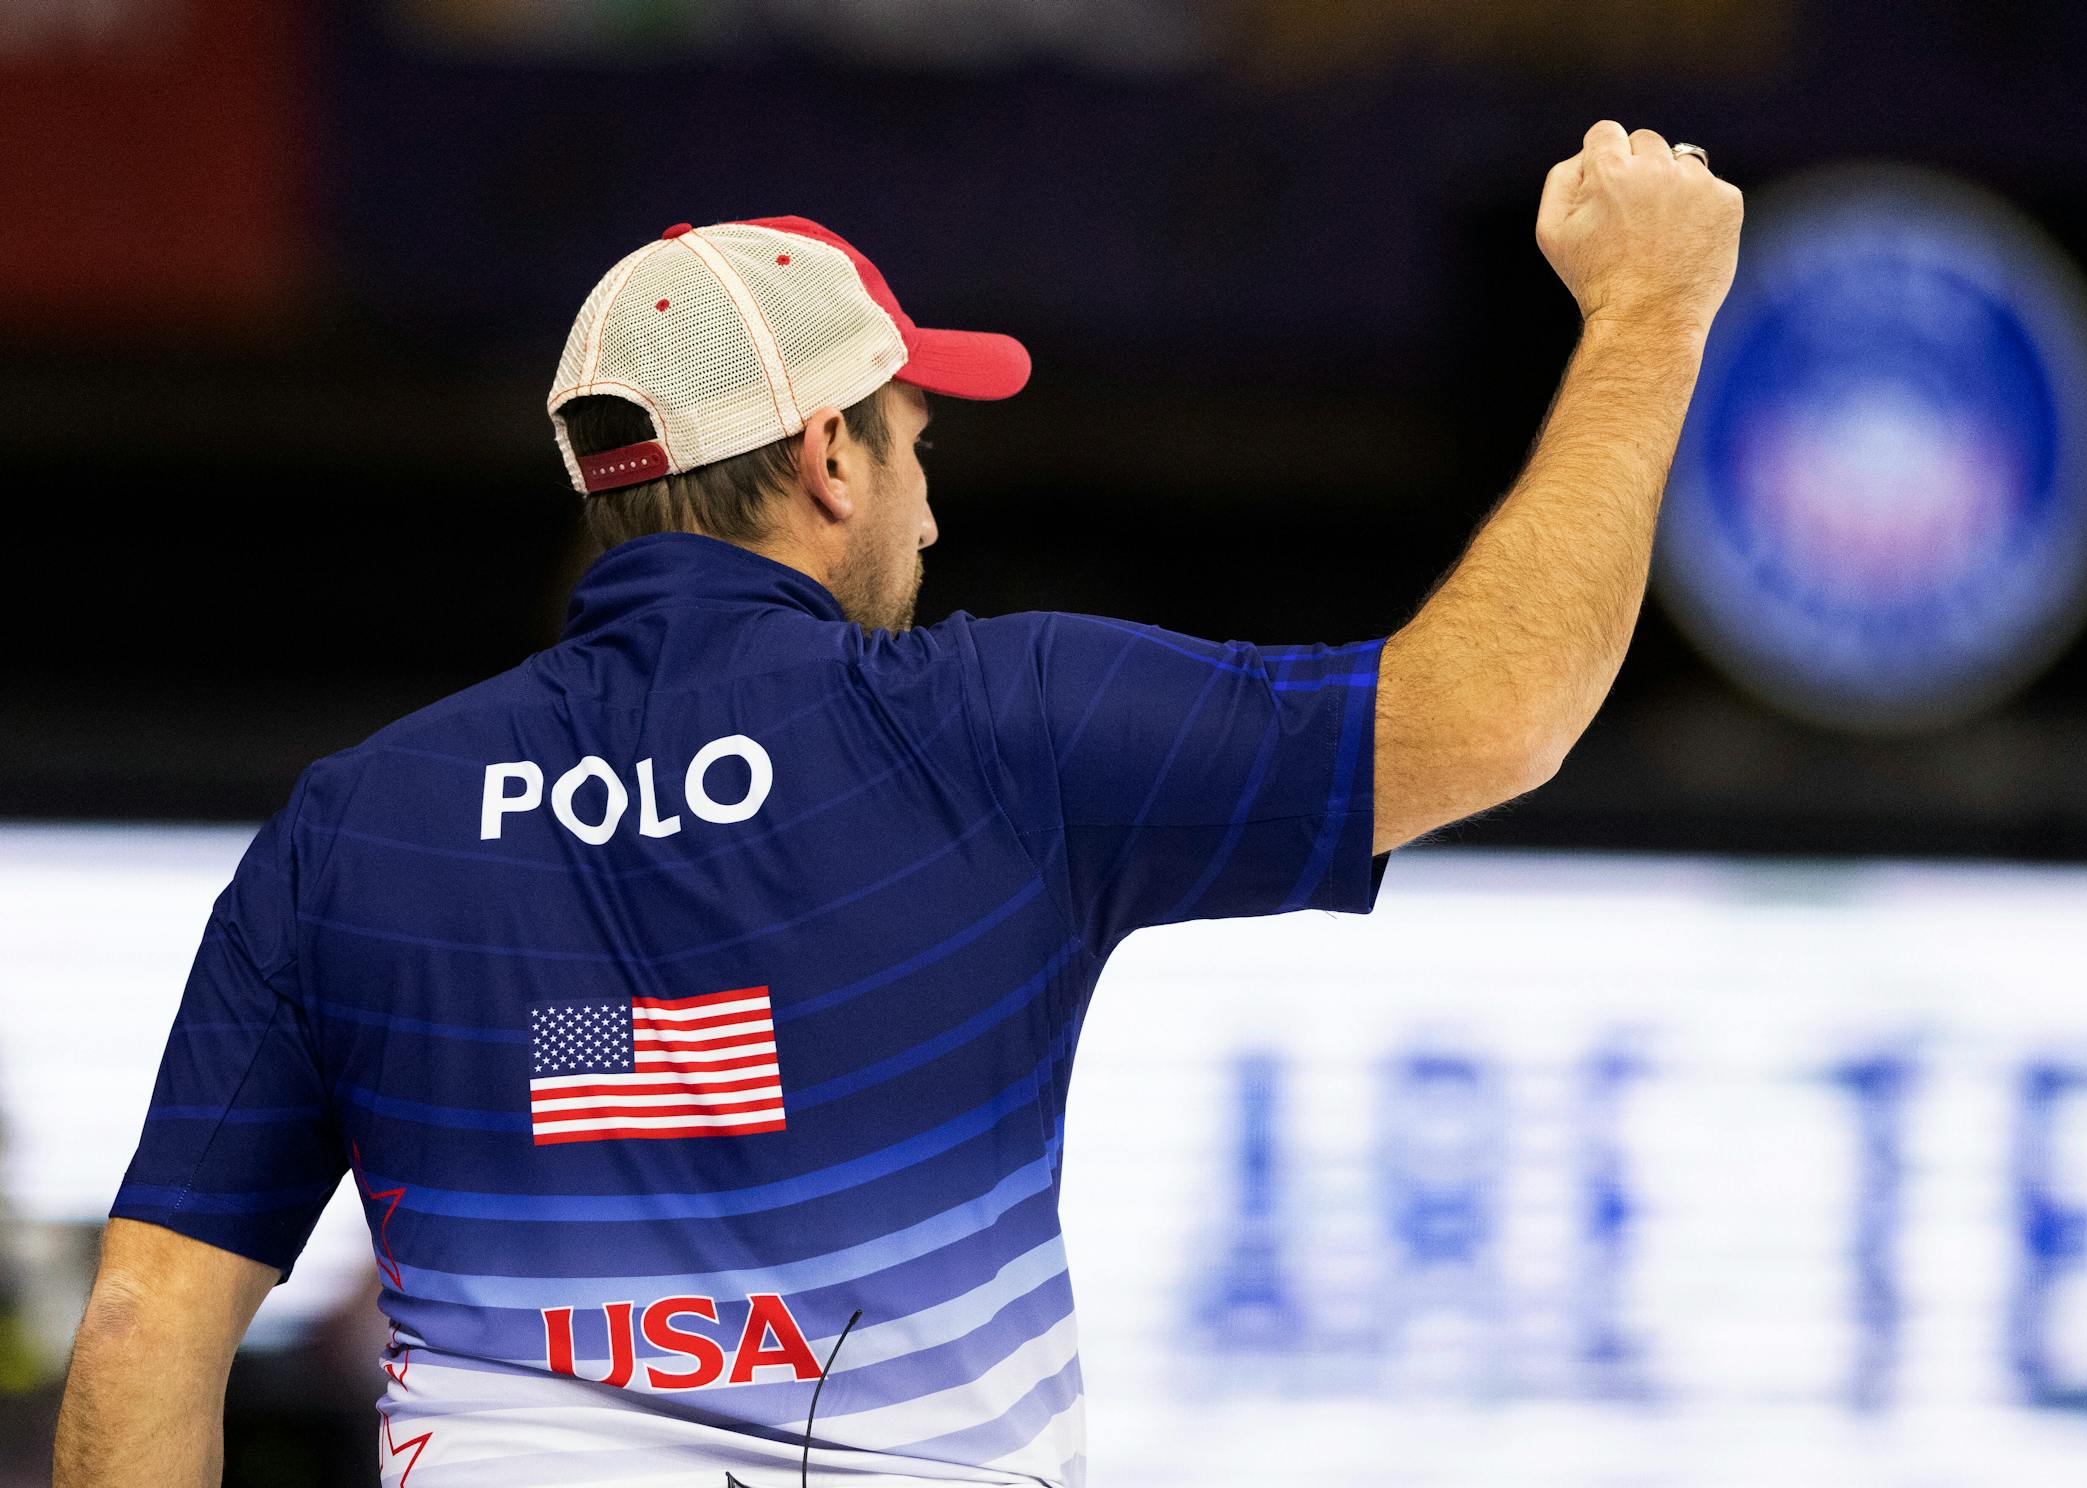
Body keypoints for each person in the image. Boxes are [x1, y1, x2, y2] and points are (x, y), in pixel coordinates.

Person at [54, 119, 1740, 1487]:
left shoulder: (357, 827)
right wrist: (1650, 315)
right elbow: (1499, 715)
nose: (931, 514)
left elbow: (143, 1332)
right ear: (830, 461)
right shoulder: (998, 727)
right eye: (921, 443)